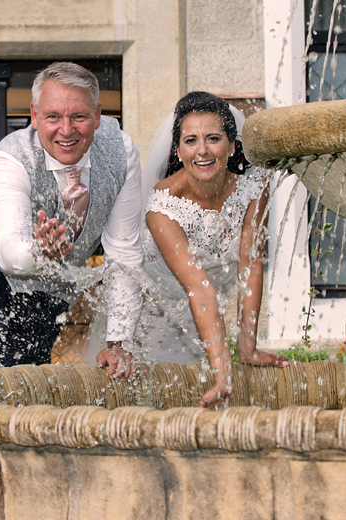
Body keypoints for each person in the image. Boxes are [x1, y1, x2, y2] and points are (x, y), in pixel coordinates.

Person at [0, 62, 143, 379]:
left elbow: (125, 252)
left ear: (98, 115)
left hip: (54, 275)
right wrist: (38, 253)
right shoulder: (9, 158)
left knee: (28, 366)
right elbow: (8, 251)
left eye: (79, 116)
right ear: (34, 116)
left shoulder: (122, 152)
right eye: (53, 116)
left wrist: (118, 342)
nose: (66, 129)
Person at [139, 91, 288, 409]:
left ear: (233, 146)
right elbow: (199, 287)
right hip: (156, 323)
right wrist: (223, 374)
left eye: (213, 138)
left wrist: (247, 346)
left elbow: (251, 263)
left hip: (209, 322)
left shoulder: (253, 188)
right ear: (178, 150)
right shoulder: (161, 205)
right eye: (191, 140)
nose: (202, 151)